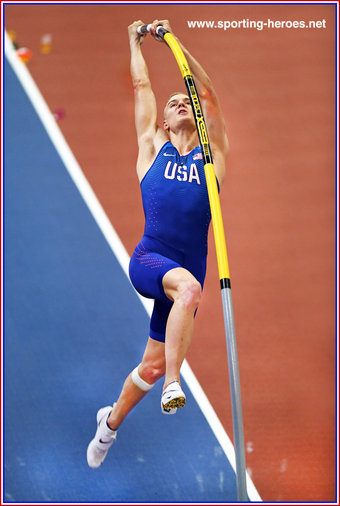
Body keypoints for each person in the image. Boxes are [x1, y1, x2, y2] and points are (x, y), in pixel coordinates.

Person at [87, 19, 229, 469]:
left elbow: (207, 93)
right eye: (172, 104)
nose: (179, 103)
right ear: (163, 123)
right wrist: (136, 40)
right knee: (187, 291)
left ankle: (108, 425)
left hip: (191, 266)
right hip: (151, 259)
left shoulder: (214, 158)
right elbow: (142, 82)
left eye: (185, 101)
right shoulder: (151, 150)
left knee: (147, 366)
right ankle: (174, 384)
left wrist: (177, 43)